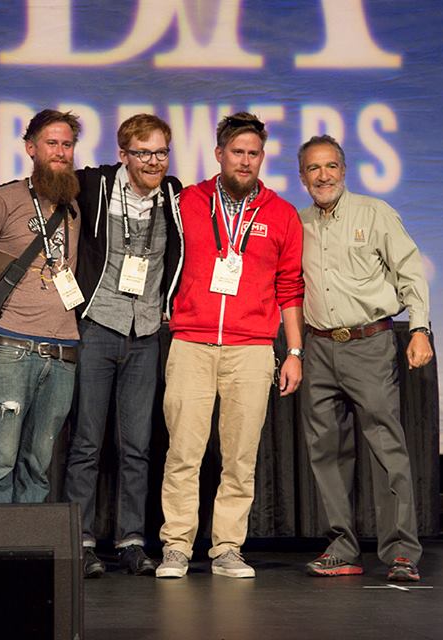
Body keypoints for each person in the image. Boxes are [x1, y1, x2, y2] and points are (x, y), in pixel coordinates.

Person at [0, 115, 184, 578]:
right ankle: (79, 539)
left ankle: (130, 539)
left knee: (137, 446)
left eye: (161, 152)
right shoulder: (92, 185)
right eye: (142, 152)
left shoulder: (176, 195)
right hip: (96, 327)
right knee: (83, 443)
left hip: (145, 332)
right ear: (123, 154)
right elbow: (31, 185)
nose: (153, 161)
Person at [155, 113, 305, 580]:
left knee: (240, 457)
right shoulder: (186, 202)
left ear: (262, 158)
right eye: (236, 152)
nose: (245, 161)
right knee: (184, 452)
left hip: (253, 349)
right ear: (219, 154)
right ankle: (176, 546)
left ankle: (226, 548)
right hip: (192, 343)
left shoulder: (281, 214)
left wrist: (295, 352)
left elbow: (291, 288)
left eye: (253, 154)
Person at [295, 134, 433, 582]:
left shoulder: (374, 213)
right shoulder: (298, 224)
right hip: (318, 347)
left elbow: (410, 271)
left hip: (369, 343)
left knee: (385, 447)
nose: (323, 175)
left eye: (330, 166)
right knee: (327, 452)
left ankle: (400, 552)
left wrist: (419, 327)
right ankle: (343, 546)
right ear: (302, 177)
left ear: (344, 170)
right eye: (314, 169)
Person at [0, 109, 82, 505]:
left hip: (63, 354)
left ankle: (30, 553)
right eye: (51, 143)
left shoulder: (77, 201)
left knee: (38, 465)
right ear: (30, 148)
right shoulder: (0, 200)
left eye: (67, 145)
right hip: (11, 349)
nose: (60, 152)